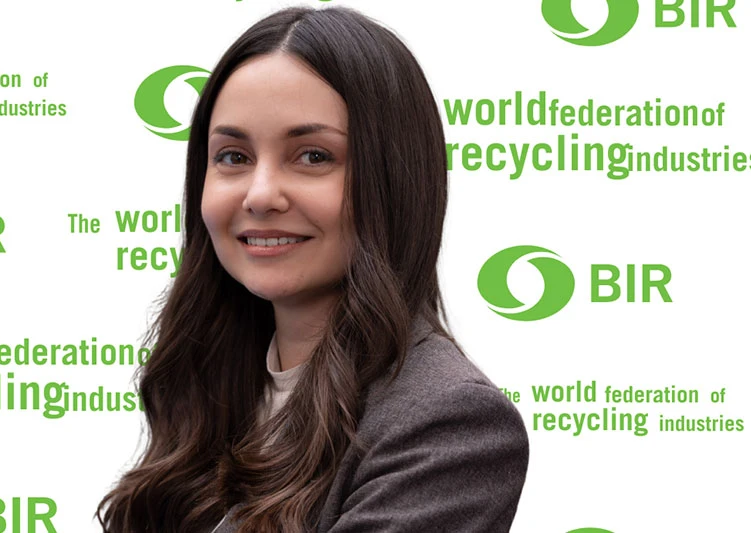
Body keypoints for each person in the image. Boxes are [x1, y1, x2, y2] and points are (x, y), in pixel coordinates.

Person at [98, 6, 529, 532]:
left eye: (313, 156)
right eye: (233, 157)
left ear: (392, 180)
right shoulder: (210, 387)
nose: (260, 195)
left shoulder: (448, 423)